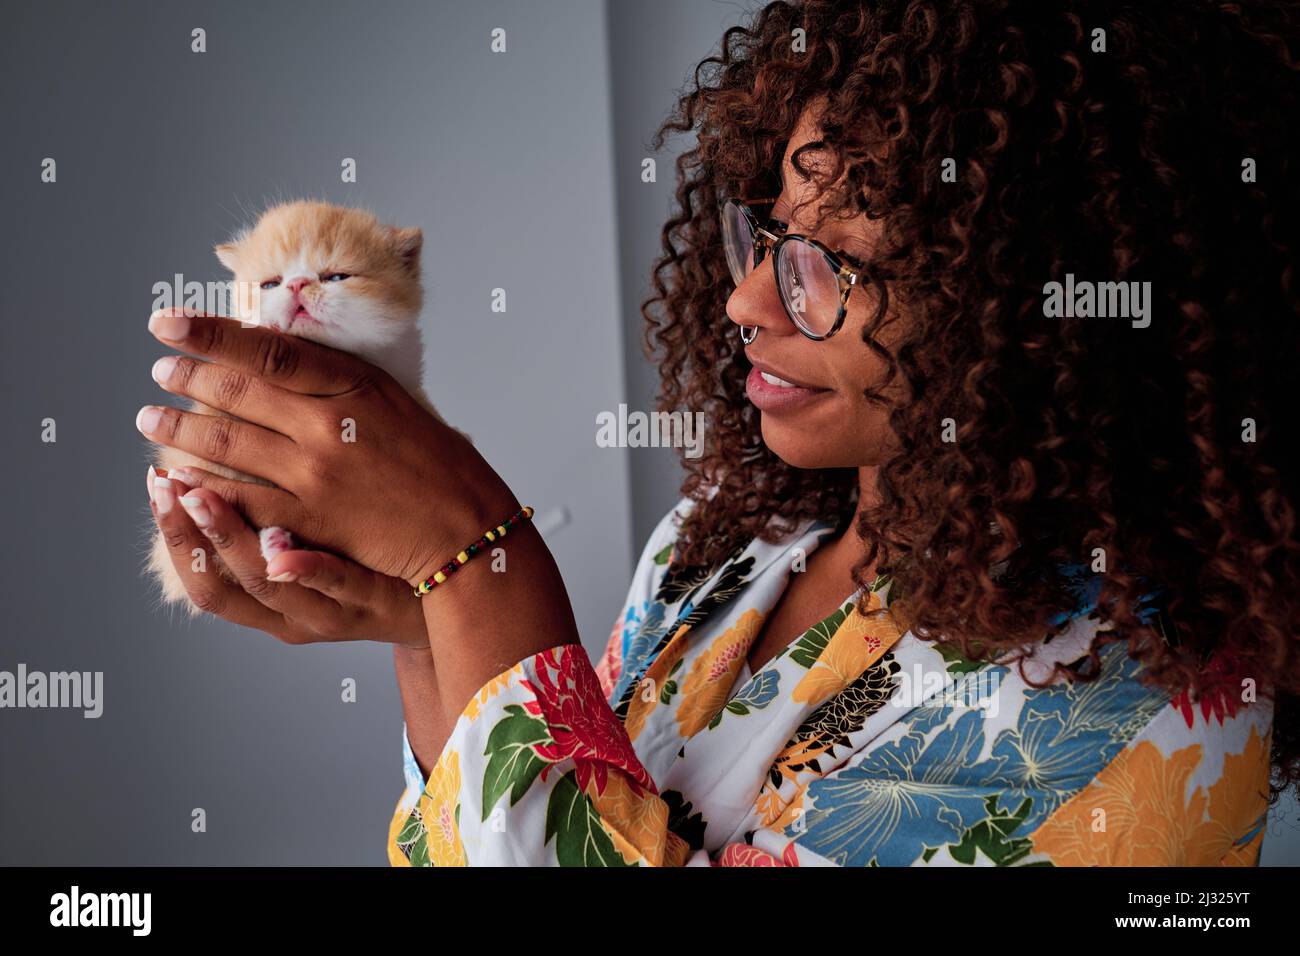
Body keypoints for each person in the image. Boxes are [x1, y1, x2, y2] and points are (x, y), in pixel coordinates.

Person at [140, 0, 1300, 865]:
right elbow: (539, 822)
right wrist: (424, 613)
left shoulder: (1149, 705)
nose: (745, 301)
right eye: (764, 236)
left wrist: (481, 552)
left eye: (827, 266)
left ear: (1042, 302)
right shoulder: (725, 544)